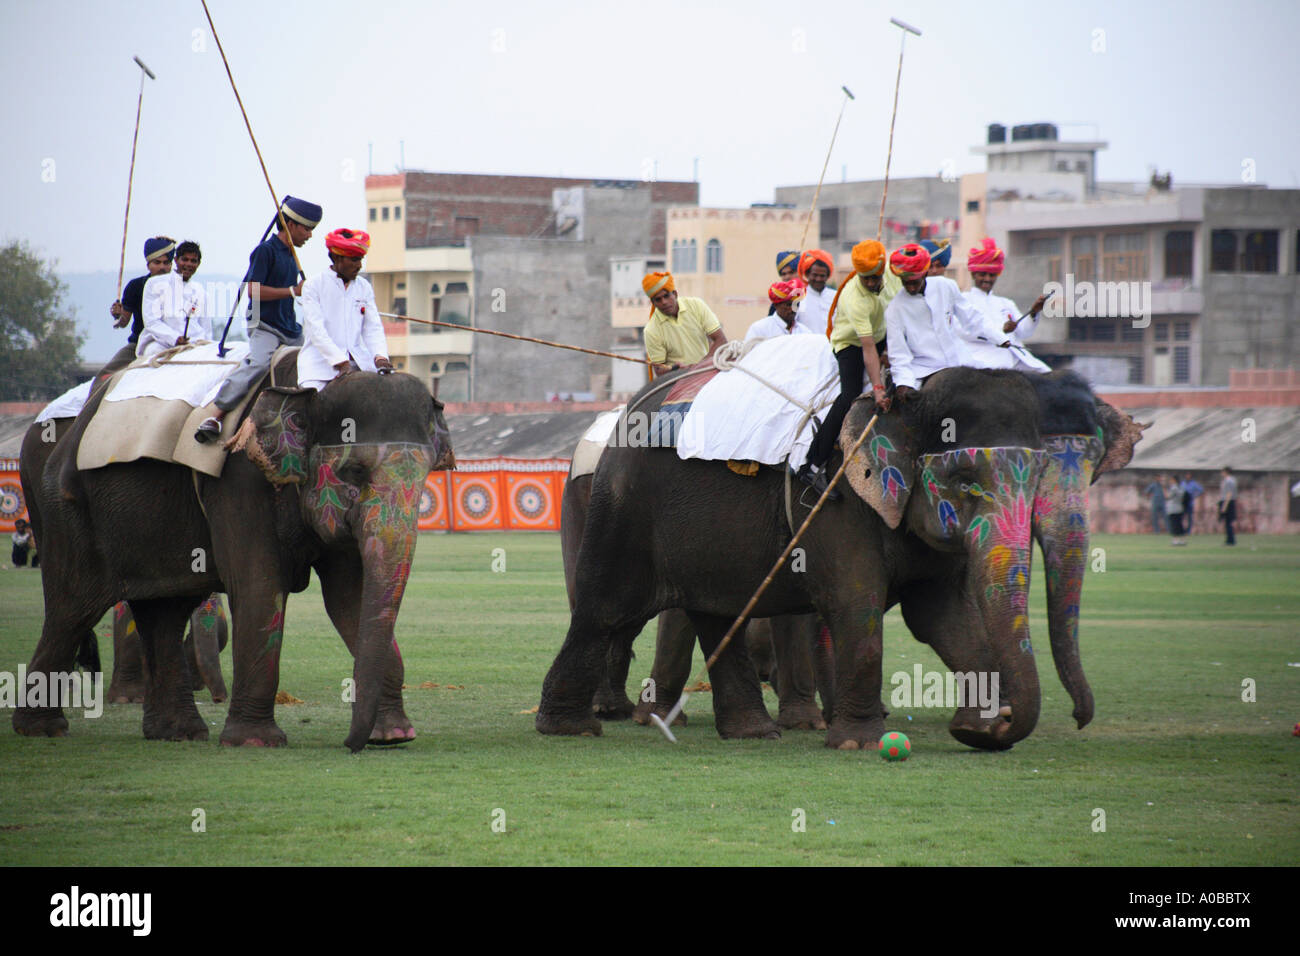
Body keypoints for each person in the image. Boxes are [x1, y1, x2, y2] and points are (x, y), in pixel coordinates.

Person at [195, 196, 322, 443]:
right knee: (260, 363)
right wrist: (292, 291)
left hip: (290, 329)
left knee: (315, 362)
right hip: (264, 325)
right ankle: (216, 414)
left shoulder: (292, 255)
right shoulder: (265, 251)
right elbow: (252, 290)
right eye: (306, 229)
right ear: (290, 225)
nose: (309, 235)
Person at [800, 240, 900, 497]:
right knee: (849, 395)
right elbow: (867, 348)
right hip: (851, 343)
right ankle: (812, 463)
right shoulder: (855, 298)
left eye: (873, 278)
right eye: (864, 278)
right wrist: (877, 389)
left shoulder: (891, 276)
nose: (869, 283)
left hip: (882, 335)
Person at [884, 243, 991, 402]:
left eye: (915, 281)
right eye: (906, 282)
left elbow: (973, 320)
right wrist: (903, 383)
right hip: (924, 371)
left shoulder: (946, 286)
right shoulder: (894, 309)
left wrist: (1002, 339)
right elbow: (899, 355)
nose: (911, 287)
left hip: (961, 362)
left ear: (925, 273)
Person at [297, 228, 393, 389]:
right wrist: (339, 361)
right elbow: (316, 331)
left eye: (361, 259)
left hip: (359, 365)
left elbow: (372, 328)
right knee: (308, 406)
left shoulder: (364, 287)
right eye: (354, 260)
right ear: (336, 257)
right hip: (319, 369)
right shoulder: (313, 286)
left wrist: (380, 357)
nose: (359, 265)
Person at [960, 238, 1050, 374]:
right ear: (973, 274)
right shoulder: (963, 300)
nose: (987, 279)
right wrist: (1001, 331)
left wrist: (1033, 312)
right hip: (983, 359)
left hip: (1017, 358)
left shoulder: (1005, 303)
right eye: (983, 274)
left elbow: (1024, 332)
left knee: (1052, 379)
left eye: (992, 275)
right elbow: (964, 332)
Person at [106, 236, 174, 369]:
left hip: (172, 345)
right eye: (157, 262)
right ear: (148, 264)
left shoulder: (180, 287)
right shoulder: (135, 286)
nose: (162, 267)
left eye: (166, 263)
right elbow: (124, 322)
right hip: (140, 344)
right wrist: (118, 315)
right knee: (107, 373)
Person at [641, 271, 726, 376]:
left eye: (666, 296)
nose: (664, 302)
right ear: (653, 303)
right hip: (678, 379)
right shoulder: (651, 330)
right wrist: (674, 369)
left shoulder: (697, 305)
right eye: (658, 299)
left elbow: (721, 340)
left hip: (707, 371)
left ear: (675, 294)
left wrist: (699, 366)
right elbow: (659, 370)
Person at [746, 279, 813, 341]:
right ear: (776, 305)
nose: (793, 309)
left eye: (796, 304)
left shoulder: (805, 332)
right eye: (788, 305)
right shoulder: (760, 329)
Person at [794, 248, 836, 335]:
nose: (818, 279)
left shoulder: (836, 297)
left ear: (827, 276)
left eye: (822, 276)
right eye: (815, 275)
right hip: (807, 346)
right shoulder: (798, 297)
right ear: (807, 274)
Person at [766, 250, 802, 315]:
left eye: (791, 272)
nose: (787, 277)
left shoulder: (811, 297)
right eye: (783, 274)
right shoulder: (778, 302)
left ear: (800, 272)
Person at [1164, 474, 1187, 545]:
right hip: (1179, 508)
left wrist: (1164, 490)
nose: (1170, 481)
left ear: (1174, 480)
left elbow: (1168, 497)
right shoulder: (1181, 487)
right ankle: (1182, 540)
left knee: (1174, 525)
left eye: (1171, 480)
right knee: (1179, 525)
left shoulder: (1174, 488)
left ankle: (1175, 540)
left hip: (1173, 509)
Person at [1218, 466, 1237, 545]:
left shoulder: (1229, 481)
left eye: (1222, 472)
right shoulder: (1229, 480)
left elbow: (1229, 494)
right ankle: (1229, 539)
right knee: (1227, 522)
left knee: (1228, 522)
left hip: (1228, 502)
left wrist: (1224, 506)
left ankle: (1230, 540)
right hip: (1227, 501)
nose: (1221, 473)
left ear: (1226, 472)